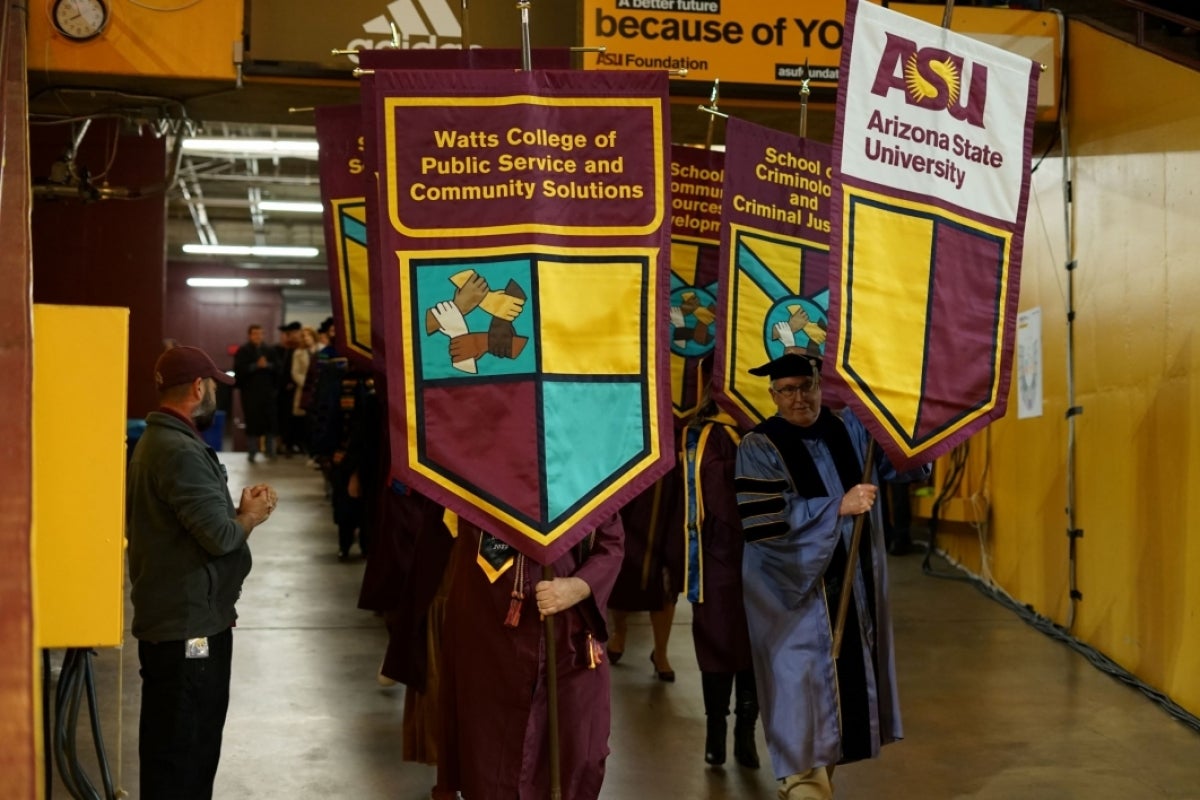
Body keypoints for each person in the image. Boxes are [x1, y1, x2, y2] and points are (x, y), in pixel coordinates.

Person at [733, 353, 928, 800]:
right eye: (788, 390)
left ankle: (812, 788)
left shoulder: (849, 430)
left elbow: (901, 459)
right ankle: (802, 787)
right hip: (791, 602)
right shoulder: (760, 446)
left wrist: (916, 432)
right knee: (799, 705)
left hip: (853, 594)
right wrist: (835, 506)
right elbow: (763, 523)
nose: (799, 397)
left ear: (821, 385)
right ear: (773, 395)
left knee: (839, 707)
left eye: (807, 386)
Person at [126, 344, 278, 799]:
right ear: (198, 387)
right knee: (186, 751)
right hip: (190, 631)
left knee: (175, 748)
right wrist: (249, 516)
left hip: (179, 621)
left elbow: (194, 525)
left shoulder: (165, 442)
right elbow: (221, 538)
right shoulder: (179, 451)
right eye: (213, 385)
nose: (216, 394)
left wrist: (233, 512)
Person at [434, 515, 625, 800]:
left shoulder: (587, 474)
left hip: (569, 638)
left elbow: (611, 543)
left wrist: (578, 586)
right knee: (490, 759)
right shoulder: (474, 475)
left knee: (578, 752)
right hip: (491, 635)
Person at [681, 390, 759, 769]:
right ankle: (716, 732)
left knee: (755, 646)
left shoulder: (757, 429)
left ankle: (746, 734)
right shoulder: (711, 434)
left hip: (761, 558)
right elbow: (715, 492)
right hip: (719, 558)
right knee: (718, 643)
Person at [233, 324, 280, 462]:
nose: (258, 336)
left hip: (268, 393)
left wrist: (268, 365)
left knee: (270, 422)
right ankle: (252, 451)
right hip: (250, 394)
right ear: (249, 335)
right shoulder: (243, 351)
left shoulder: (270, 350)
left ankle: (270, 451)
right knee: (252, 422)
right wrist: (255, 366)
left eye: (260, 334)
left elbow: (278, 368)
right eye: (255, 334)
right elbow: (239, 370)